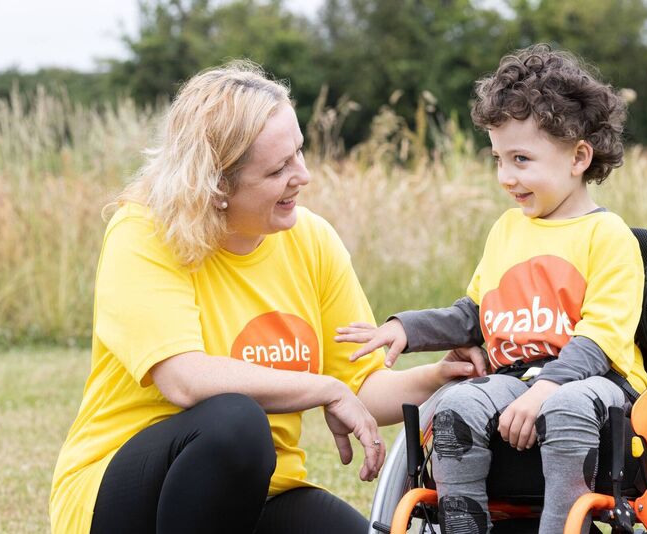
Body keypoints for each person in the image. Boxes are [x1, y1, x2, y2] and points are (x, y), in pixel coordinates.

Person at [49, 60, 481, 534]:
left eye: (299, 151)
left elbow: (359, 386)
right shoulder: (145, 232)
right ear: (215, 185)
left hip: (263, 495)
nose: (304, 175)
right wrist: (323, 388)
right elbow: (183, 378)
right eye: (279, 169)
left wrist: (442, 375)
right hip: (124, 498)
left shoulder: (311, 240)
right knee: (236, 423)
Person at [335, 45, 647, 534]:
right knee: (458, 402)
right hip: (518, 378)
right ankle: (465, 523)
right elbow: (476, 313)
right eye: (498, 160)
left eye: (521, 160)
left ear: (578, 157)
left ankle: (564, 523)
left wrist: (546, 387)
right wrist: (408, 328)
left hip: (595, 387)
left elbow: (601, 339)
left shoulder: (608, 237)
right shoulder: (507, 229)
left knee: (565, 404)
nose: (506, 177)